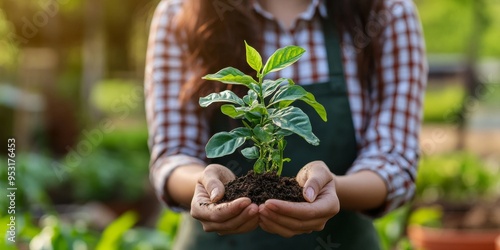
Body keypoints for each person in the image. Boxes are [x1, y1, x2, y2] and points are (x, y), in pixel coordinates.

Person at [144, 0, 427, 249]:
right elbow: (173, 154)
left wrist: (329, 189)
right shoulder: (182, 12)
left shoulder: (386, 10)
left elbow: (394, 159)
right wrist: (209, 186)